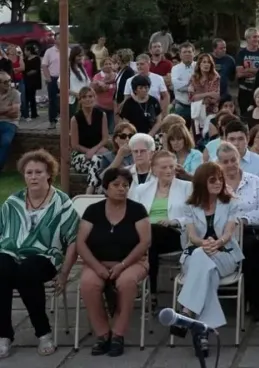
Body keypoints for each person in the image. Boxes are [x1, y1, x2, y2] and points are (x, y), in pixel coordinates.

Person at [0, 150, 79, 358]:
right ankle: (3, 335)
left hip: (45, 257)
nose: (33, 177)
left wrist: (64, 274)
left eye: (38, 172)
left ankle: (43, 332)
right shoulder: (13, 202)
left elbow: (74, 241)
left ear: (48, 174)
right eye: (29, 173)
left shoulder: (62, 202)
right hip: (10, 252)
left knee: (27, 270)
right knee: (1, 266)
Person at [77, 167, 151, 356]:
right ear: (105, 188)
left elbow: (145, 242)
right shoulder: (93, 211)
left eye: (125, 185)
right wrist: (96, 267)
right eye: (116, 185)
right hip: (97, 262)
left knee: (126, 282)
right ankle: (103, 334)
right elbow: (80, 243)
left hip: (132, 262)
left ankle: (118, 334)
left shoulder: (137, 210)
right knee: (88, 284)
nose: (121, 189)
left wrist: (122, 265)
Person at [175, 162, 244, 334]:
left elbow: (229, 233)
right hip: (196, 254)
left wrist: (218, 242)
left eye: (220, 179)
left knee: (202, 259)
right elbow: (192, 236)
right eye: (212, 180)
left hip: (224, 254)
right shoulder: (190, 205)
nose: (218, 183)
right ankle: (203, 333)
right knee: (208, 271)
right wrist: (202, 243)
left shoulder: (231, 203)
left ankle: (186, 311)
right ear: (201, 182)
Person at [215, 141, 259, 321]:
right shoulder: (215, 184)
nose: (230, 165)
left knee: (251, 248)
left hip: (249, 230)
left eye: (233, 160)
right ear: (219, 163)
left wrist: (243, 220)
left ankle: (256, 303)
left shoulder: (253, 181)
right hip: (221, 232)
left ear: (239, 160)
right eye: (225, 161)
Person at [130, 149, 191, 305]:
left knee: (152, 233)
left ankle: (151, 291)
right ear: (154, 169)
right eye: (163, 167)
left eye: (171, 166)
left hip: (175, 234)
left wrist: (175, 221)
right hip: (148, 238)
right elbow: (133, 216)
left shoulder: (187, 187)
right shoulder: (141, 190)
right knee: (150, 238)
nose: (169, 171)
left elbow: (195, 217)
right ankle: (151, 291)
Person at [236, 28, 259, 114]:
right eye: (254, 37)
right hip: (244, 90)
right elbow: (239, 74)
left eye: (258, 37)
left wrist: (248, 69)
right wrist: (257, 71)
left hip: (258, 91)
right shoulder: (241, 53)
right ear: (248, 38)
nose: (257, 39)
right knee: (244, 116)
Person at [0, 72, 20, 173]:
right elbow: (11, 111)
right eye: (5, 82)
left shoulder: (15, 93)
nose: (8, 83)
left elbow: (15, 113)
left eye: (9, 81)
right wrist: (8, 109)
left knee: (6, 142)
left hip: (10, 123)